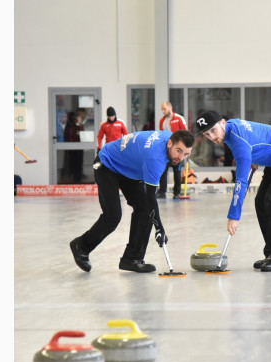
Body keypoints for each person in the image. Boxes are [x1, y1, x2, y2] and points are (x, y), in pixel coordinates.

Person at [196, 110, 271, 272]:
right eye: (207, 135)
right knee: (260, 202)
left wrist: (234, 216)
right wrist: (254, 157)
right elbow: (254, 143)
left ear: (222, 122)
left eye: (213, 131)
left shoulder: (238, 141)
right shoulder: (231, 128)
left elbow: (241, 182)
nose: (212, 138)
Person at [69, 129, 195, 273]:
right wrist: (159, 227)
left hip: (127, 169)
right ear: (170, 143)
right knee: (113, 217)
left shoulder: (169, 137)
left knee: (145, 209)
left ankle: (132, 259)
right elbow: (151, 197)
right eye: (178, 151)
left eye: (186, 154)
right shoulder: (155, 159)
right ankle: (81, 246)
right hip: (106, 164)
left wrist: (157, 224)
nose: (181, 157)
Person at [158, 102, 188, 199]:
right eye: (162, 109)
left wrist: (185, 149)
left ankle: (177, 193)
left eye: (164, 109)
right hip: (166, 150)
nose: (163, 111)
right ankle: (162, 192)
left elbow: (186, 134)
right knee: (163, 171)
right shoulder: (162, 121)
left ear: (170, 107)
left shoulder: (179, 118)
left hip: (178, 150)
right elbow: (162, 135)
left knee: (177, 171)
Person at [64, 111, 84, 182]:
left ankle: (78, 178)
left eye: (74, 117)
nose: (73, 118)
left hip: (78, 147)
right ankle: (73, 177)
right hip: (70, 148)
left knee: (78, 163)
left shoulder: (77, 125)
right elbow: (67, 136)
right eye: (72, 117)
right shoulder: (68, 126)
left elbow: (81, 134)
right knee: (72, 163)